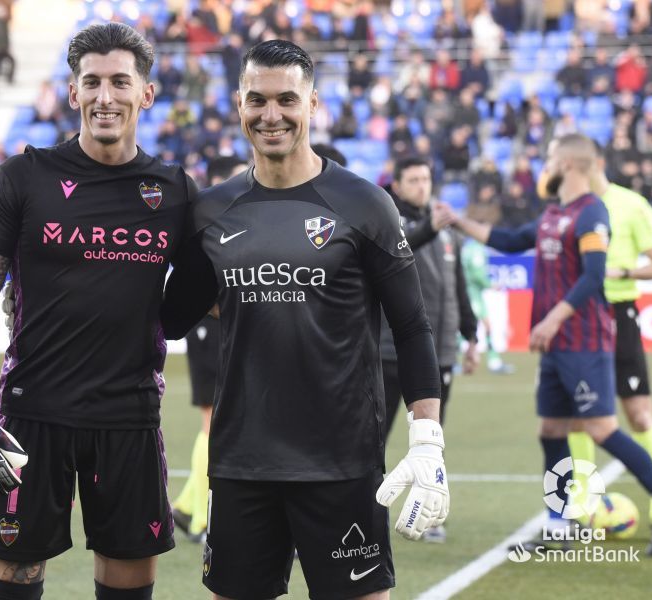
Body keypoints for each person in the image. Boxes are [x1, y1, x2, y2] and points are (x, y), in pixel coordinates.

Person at [161, 40, 449, 600]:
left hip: (341, 463)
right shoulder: (211, 212)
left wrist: (427, 439)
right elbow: (170, 318)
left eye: (287, 99)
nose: (272, 115)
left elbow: (412, 327)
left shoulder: (365, 205)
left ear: (313, 104)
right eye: (257, 100)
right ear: (239, 105)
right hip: (243, 462)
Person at [0, 23, 195, 600]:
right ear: (72, 92)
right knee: (11, 584)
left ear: (146, 93)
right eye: (92, 82)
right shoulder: (20, 178)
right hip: (30, 418)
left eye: (119, 82)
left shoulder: (175, 191)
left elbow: (198, 294)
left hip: (129, 418)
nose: (104, 97)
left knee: (128, 587)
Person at [449, 134, 652, 553]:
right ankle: (558, 525)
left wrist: (553, 318)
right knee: (551, 429)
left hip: (583, 341)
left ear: (568, 165)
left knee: (603, 428)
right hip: (555, 345)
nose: (543, 168)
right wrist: (455, 220)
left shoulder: (592, 214)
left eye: (549, 160)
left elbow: (594, 276)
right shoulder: (553, 214)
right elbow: (508, 241)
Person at [379, 157, 479, 544]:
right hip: (391, 349)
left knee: (432, 437)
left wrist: (470, 335)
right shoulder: (389, 224)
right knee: (372, 437)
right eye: (414, 179)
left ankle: (431, 511)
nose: (422, 185)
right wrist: (428, 229)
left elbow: (459, 288)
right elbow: (400, 248)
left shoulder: (447, 232)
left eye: (426, 178)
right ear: (398, 186)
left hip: (441, 349)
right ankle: (358, 512)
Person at [567, 146, 652, 556]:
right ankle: (581, 512)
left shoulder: (631, 205)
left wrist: (622, 271)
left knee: (639, 414)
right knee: (578, 416)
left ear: (594, 164)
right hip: (581, 317)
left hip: (620, 316)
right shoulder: (570, 207)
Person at [171, 156, 247, 545]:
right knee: (212, 422)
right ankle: (204, 519)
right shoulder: (206, 216)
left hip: (226, 323)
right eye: (237, 178)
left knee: (223, 421)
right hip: (207, 326)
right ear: (217, 182)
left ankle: (186, 508)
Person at [460, 235, 515, 374]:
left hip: (469, 292)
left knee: (465, 325)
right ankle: (493, 362)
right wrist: (491, 284)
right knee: (483, 326)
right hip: (472, 294)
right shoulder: (477, 249)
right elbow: (477, 274)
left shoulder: (467, 247)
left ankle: (490, 360)